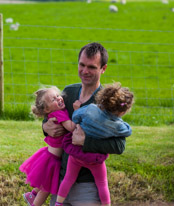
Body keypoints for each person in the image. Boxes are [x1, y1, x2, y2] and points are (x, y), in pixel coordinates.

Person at [43, 42, 127, 206]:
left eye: (92, 67)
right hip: (60, 183)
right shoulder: (68, 92)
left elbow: (119, 145)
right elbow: (52, 116)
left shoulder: (108, 102)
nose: (85, 71)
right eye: (82, 65)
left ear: (103, 68)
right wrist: (45, 126)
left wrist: (86, 142)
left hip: (88, 187)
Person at [55, 82, 134, 206]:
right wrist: (119, 120)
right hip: (95, 158)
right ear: (122, 111)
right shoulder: (117, 125)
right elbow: (127, 131)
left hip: (76, 155)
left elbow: (76, 117)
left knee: (68, 178)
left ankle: (58, 203)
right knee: (102, 183)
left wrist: (77, 110)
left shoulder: (91, 109)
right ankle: (106, 204)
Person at [19, 86, 76, 206]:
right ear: (46, 109)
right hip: (53, 159)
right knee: (46, 188)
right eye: (53, 100)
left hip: (50, 155)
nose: (59, 99)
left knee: (44, 182)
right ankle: (34, 203)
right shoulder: (59, 114)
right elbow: (71, 127)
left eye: (58, 96)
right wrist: (78, 112)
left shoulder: (56, 112)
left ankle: (32, 194)